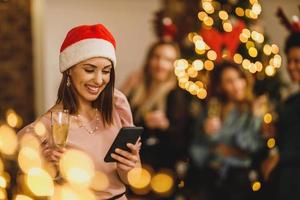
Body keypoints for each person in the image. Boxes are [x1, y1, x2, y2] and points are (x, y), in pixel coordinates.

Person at [18, 24, 141, 200]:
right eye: (89, 70)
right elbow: (23, 181)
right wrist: (45, 169)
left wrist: (129, 169)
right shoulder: (52, 123)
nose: (99, 80)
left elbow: (134, 178)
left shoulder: (117, 104)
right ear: (69, 69)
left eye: (106, 71)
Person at [121, 41, 192, 198]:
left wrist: (165, 126)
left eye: (167, 60)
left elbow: (183, 142)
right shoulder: (137, 90)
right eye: (157, 57)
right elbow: (117, 121)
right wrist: (126, 87)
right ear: (149, 60)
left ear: (174, 65)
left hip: (161, 176)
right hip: (132, 170)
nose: (160, 64)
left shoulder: (176, 95)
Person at [189, 61, 264, 200]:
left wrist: (254, 118)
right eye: (229, 81)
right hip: (209, 175)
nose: (237, 85)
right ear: (220, 86)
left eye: (239, 78)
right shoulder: (212, 108)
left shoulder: (252, 110)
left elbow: (252, 147)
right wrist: (209, 140)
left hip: (238, 178)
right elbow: (196, 147)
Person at [264, 32, 300, 200]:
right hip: (285, 182)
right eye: (289, 60)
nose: (291, 66)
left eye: (297, 61)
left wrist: (281, 156)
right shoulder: (290, 101)